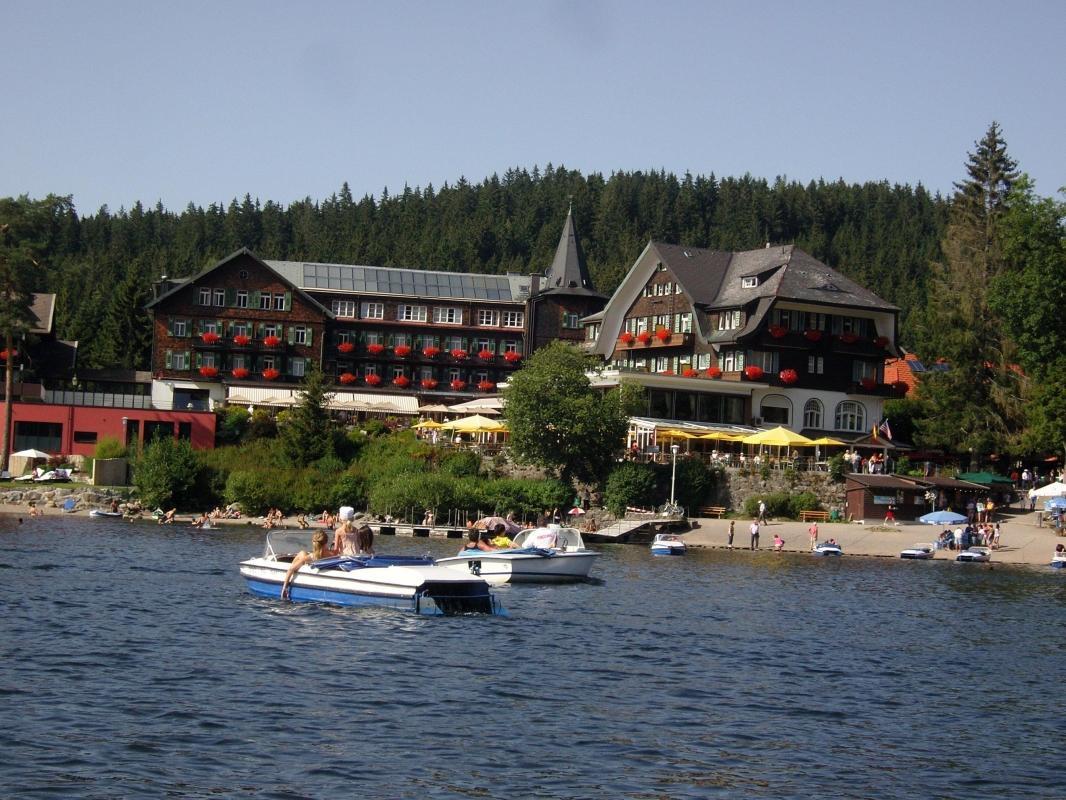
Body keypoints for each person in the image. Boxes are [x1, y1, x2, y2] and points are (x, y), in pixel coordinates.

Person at [280, 530, 336, 600]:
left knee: (302, 553)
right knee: (302, 553)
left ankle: (291, 564)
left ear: (313, 542)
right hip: (326, 574)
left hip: (310, 568)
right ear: (326, 543)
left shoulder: (311, 557)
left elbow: (291, 569)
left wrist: (284, 588)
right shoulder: (332, 555)